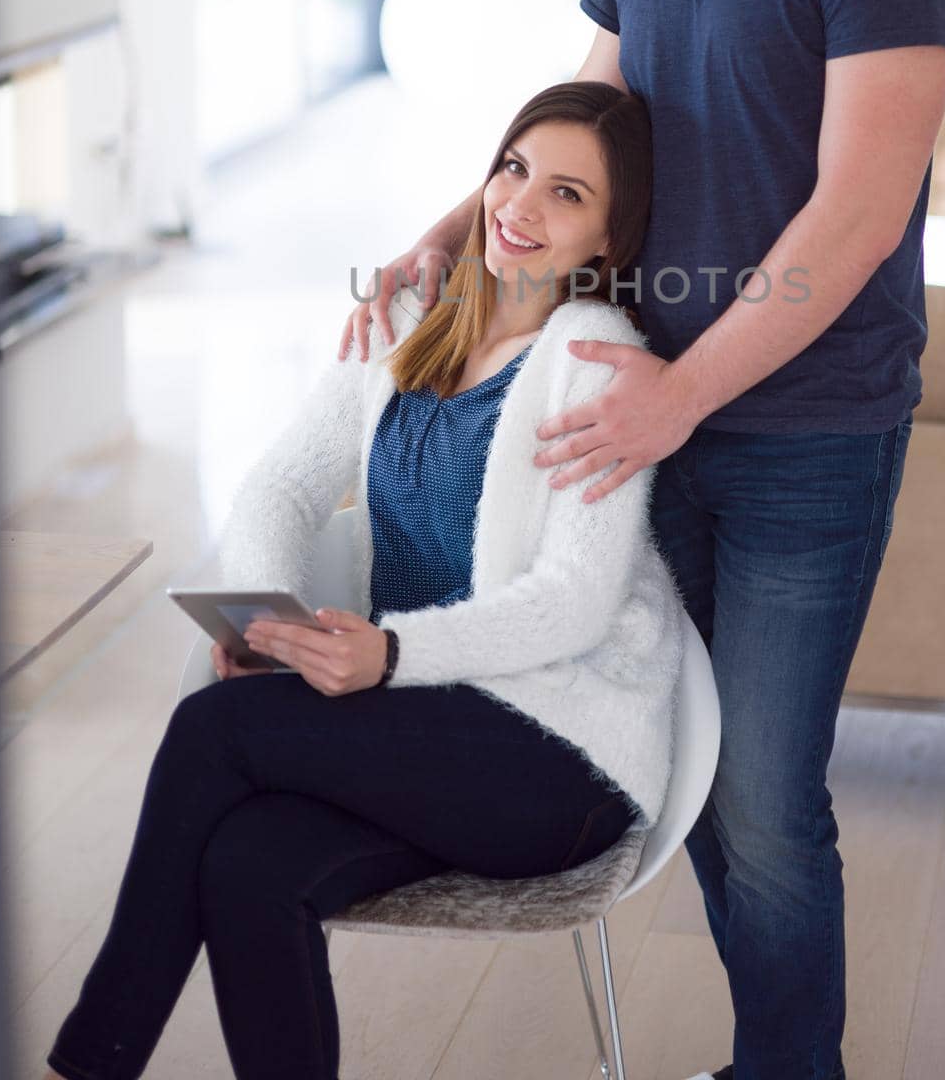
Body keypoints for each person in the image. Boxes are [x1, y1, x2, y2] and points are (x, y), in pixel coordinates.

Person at [341, 0, 945, 1080]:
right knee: (677, 760)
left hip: (802, 437)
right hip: (645, 413)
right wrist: (447, 233)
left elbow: (857, 216)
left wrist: (679, 398)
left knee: (764, 794)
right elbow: (586, 132)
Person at [44, 81, 683, 1080]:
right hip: (413, 732)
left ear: (608, 239)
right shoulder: (415, 316)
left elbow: (573, 600)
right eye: (512, 168)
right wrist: (265, 622)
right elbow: (282, 485)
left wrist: (391, 653)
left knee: (218, 726)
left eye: (566, 194)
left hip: (558, 758)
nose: (519, 205)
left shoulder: (599, 364)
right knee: (247, 862)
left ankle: (88, 1063)